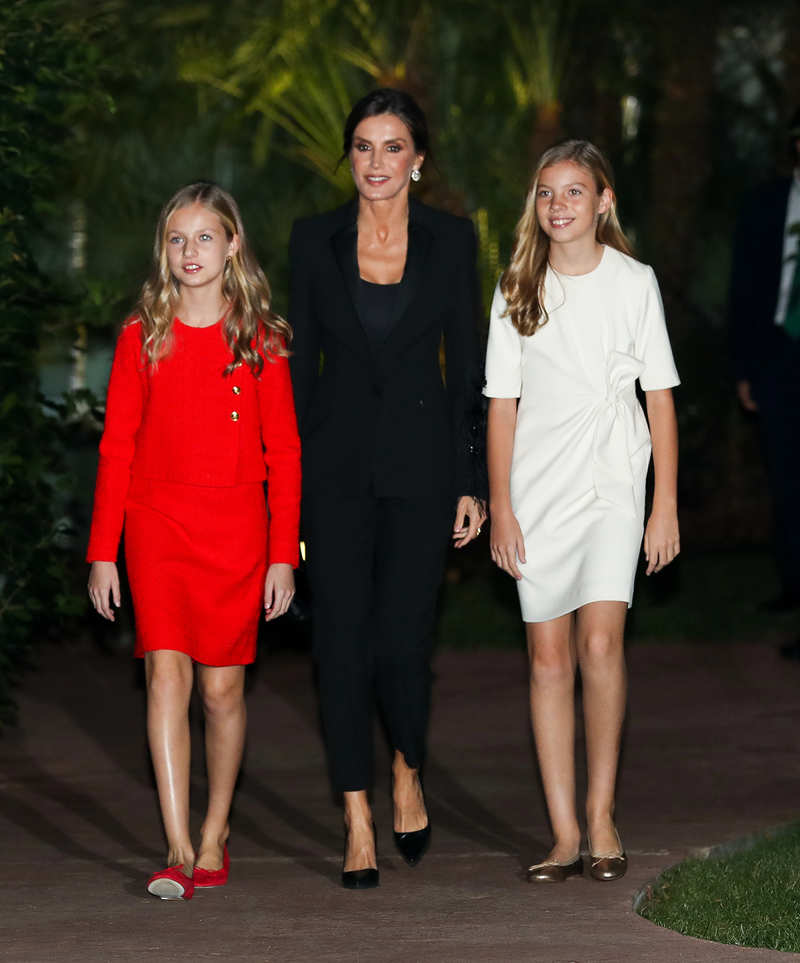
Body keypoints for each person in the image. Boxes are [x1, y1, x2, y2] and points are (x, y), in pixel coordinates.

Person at [288, 88, 486, 889]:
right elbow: (300, 372)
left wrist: (472, 477)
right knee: (338, 644)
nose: (376, 162)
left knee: (403, 641)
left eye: (392, 146)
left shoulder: (451, 240)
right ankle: (357, 815)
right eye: (363, 147)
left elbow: (467, 366)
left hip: (423, 467)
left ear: (418, 160)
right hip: (332, 472)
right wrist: (289, 491)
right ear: (351, 157)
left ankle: (408, 762)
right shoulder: (313, 240)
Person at [87, 182, 301, 900]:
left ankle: (216, 831)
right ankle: (177, 843)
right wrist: (101, 550)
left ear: (232, 244)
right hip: (156, 527)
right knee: (165, 676)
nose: (190, 252)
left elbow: (286, 454)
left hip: (237, 532)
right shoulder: (140, 334)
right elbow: (116, 447)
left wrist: (281, 554)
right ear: (164, 251)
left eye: (204, 237)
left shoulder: (261, 339)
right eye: (177, 239)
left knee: (220, 689)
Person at [485, 140, 680, 883]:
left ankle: (602, 815)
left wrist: (663, 505)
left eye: (574, 191)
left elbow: (658, 396)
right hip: (537, 490)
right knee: (547, 657)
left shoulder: (634, 282)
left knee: (601, 645)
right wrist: (501, 506)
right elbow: (500, 406)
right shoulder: (515, 286)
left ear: (604, 201)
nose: (558, 205)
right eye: (545, 193)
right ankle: (563, 831)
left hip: (613, 482)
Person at [729, 108, 800, 644]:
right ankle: (792, 582)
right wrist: (745, 370)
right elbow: (744, 293)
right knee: (785, 478)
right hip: (777, 359)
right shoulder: (764, 204)